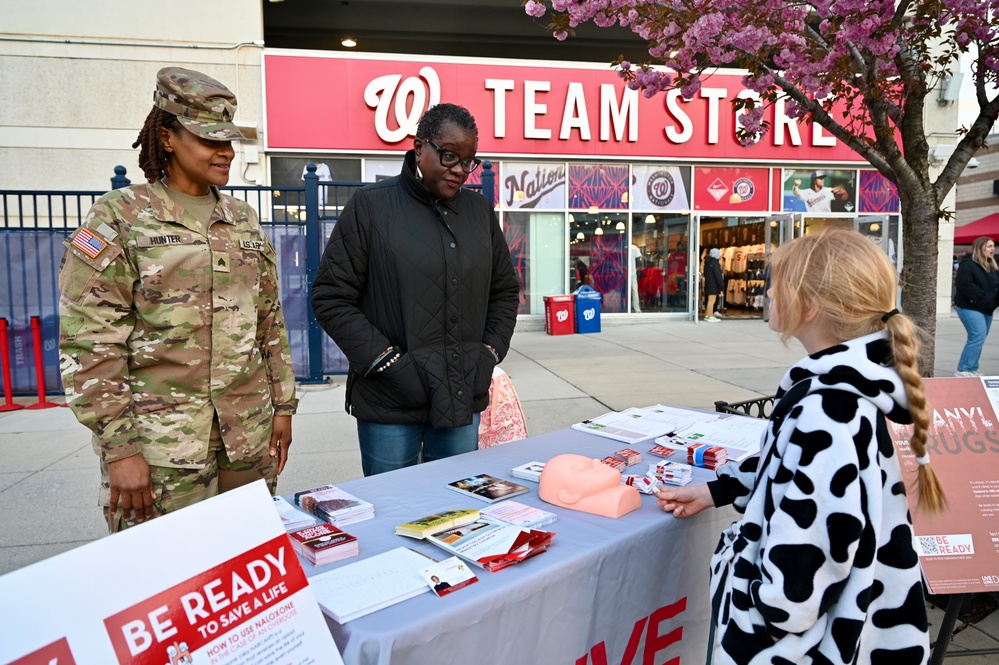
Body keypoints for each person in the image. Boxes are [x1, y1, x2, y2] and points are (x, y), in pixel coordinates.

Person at [655, 228, 947, 665]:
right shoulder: (845, 392)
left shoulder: (828, 406)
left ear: (810, 306)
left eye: (780, 281)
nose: (769, 290)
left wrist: (760, 605)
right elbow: (796, 467)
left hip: (802, 646)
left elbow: (810, 558)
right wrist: (717, 490)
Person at [59, 67, 298, 531]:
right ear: (167, 137)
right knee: (165, 583)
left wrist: (283, 407)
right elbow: (90, 343)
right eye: (210, 139)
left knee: (245, 570)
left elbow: (269, 323)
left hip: (247, 436)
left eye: (229, 140)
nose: (225, 152)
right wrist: (121, 449)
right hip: (162, 449)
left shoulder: (243, 219)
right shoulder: (121, 216)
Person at [311, 102, 519, 476]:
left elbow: (504, 291)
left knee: (454, 510)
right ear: (419, 146)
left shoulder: (479, 212)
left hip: (460, 395)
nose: (460, 170)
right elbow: (331, 297)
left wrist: (487, 352)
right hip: (389, 398)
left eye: (469, 160)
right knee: (392, 509)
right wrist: (387, 363)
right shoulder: (370, 207)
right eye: (450, 155)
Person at [953, 236, 999, 376]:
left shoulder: (991, 266)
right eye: (989, 246)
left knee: (980, 338)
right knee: (977, 336)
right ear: (980, 248)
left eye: (993, 246)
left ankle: (972, 368)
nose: (993, 249)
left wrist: (993, 301)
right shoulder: (968, 264)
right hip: (969, 306)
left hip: (986, 308)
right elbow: (965, 284)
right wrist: (984, 298)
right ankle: (964, 369)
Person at [703, 247, 724, 321]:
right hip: (713, 285)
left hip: (708, 283)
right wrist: (721, 285)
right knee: (712, 300)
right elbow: (718, 275)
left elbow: (705, 274)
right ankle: (710, 315)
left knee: (709, 300)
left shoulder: (707, 262)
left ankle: (707, 314)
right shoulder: (715, 263)